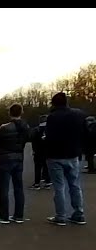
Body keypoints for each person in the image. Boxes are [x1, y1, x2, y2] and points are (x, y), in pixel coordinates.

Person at [45, 92, 87, 226]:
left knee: (59, 187)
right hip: (73, 153)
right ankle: (79, 213)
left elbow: (49, 136)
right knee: (75, 185)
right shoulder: (79, 114)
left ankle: (61, 216)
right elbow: (85, 132)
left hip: (55, 155)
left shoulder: (52, 117)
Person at [0, 103, 30, 224]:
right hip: (19, 157)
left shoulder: (5, 128)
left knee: (4, 188)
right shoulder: (25, 127)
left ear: (10, 113)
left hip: (5, 158)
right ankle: (19, 215)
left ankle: (4, 216)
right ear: (21, 113)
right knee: (18, 187)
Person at [29, 114, 51, 190]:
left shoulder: (36, 130)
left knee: (38, 167)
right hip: (47, 151)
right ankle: (47, 182)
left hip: (38, 151)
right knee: (46, 166)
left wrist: (34, 150)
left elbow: (32, 140)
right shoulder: (50, 129)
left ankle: (37, 183)